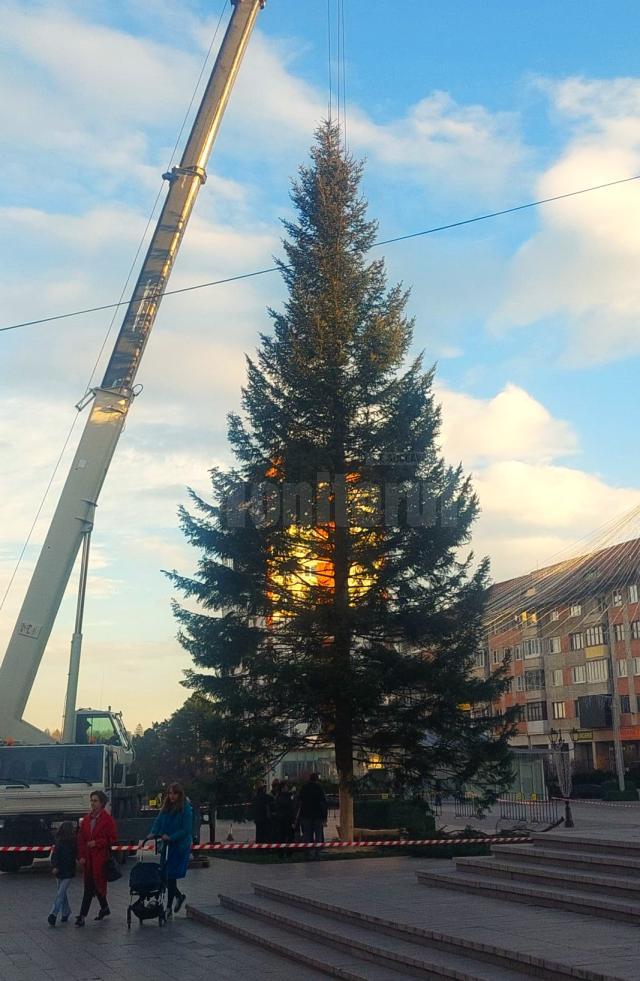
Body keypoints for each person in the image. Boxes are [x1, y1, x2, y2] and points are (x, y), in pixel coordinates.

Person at [149, 783, 193, 916]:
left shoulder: (185, 810)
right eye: (170, 793)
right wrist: (153, 832)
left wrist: (172, 837)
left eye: (174, 793)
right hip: (167, 844)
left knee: (171, 875)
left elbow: (186, 830)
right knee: (163, 874)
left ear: (180, 794)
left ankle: (168, 906)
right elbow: (158, 820)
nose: (172, 796)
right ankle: (178, 896)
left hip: (179, 846)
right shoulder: (166, 808)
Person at [76, 790, 117, 926]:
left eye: (95, 801)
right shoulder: (87, 820)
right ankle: (104, 908)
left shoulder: (107, 820)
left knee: (92, 886)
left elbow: (112, 838)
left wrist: (97, 843)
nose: (93, 803)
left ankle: (82, 915)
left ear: (102, 803)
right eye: (92, 800)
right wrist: (81, 855)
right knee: (93, 885)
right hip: (89, 859)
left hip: (100, 858)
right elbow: (81, 839)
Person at [47, 821, 77, 926]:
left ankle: (53, 914)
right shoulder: (74, 842)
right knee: (62, 893)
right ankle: (65, 912)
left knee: (60, 893)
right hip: (68, 870)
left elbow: (55, 856)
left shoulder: (59, 842)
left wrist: (55, 866)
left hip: (60, 871)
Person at [298, 772, 328, 858]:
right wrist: (324, 817)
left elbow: (300, 801)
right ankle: (317, 852)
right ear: (316, 779)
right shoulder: (319, 788)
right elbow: (323, 803)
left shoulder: (304, 788)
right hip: (317, 815)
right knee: (318, 834)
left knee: (307, 834)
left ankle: (307, 852)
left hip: (306, 814)